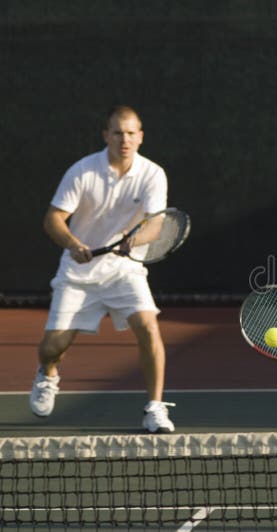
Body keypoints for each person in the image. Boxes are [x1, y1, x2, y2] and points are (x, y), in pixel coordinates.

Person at [30, 105, 176, 434]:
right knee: (52, 347)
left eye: (130, 133)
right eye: (117, 132)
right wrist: (72, 244)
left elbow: (157, 224)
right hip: (78, 274)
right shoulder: (82, 171)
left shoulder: (153, 174)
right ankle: (47, 373)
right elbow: (53, 218)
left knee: (148, 326)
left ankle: (154, 408)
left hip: (124, 270)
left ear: (140, 137)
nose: (124, 139)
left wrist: (134, 238)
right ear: (106, 136)